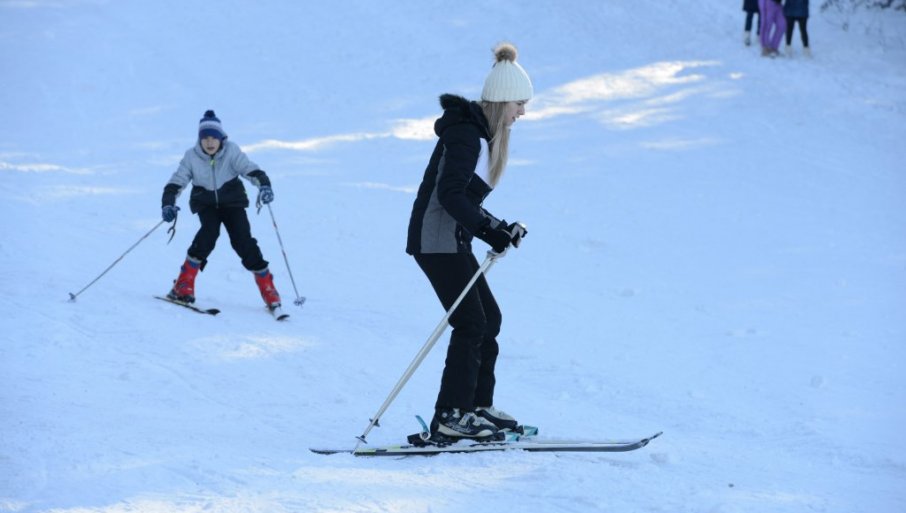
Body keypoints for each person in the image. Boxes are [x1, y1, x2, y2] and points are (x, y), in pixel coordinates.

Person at [406, 43, 531, 440]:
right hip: (435, 242)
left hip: (451, 241)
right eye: (518, 104)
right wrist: (486, 230)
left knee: (488, 320)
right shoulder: (467, 136)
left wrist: (499, 226)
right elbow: (450, 195)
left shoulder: (478, 136)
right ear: (500, 101)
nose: (522, 113)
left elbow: (468, 200)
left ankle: (477, 407)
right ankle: (451, 414)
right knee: (471, 322)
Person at [160, 110, 282, 310]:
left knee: (243, 241)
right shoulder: (191, 156)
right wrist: (168, 204)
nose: (209, 142)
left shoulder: (231, 151)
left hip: (232, 203)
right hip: (206, 204)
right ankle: (184, 284)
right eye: (205, 138)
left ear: (221, 138)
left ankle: (268, 287)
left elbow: (249, 169)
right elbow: (177, 181)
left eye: (213, 138)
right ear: (199, 140)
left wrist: (264, 185)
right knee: (208, 233)